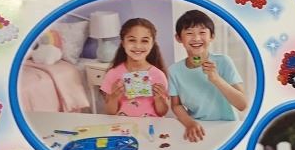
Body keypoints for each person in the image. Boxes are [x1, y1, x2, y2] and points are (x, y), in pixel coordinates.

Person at [168, 10, 247, 141]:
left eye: (202, 32)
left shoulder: (223, 62)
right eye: (189, 33)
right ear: (178, 38)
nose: (196, 38)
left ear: (212, 36)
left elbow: (242, 105)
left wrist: (216, 79)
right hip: (198, 128)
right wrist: (190, 123)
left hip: (226, 127)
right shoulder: (174, 70)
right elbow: (176, 105)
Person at [100, 18, 169, 117]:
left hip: (150, 124)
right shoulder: (113, 74)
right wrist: (114, 97)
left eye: (144, 41)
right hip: (123, 124)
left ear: (152, 44)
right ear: (123, 43)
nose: (138, 46)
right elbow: (110, 112)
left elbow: (162, 112)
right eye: (132, 40)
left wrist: (159, 98)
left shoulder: (158, 75)